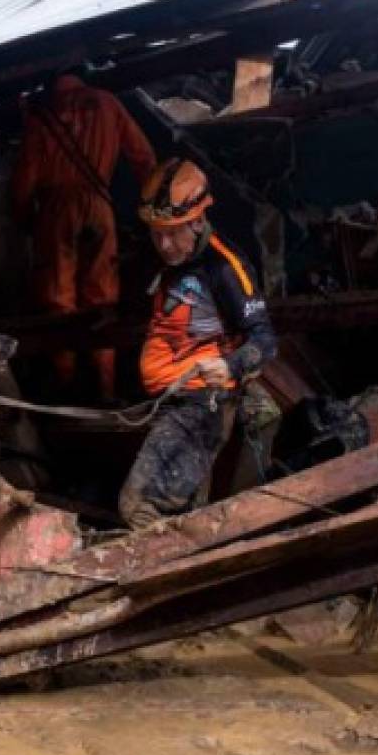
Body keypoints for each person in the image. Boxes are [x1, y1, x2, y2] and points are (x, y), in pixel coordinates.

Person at [118, 158, 277, 529]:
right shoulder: (169, 259)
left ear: (198, 221)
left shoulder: (225, 268)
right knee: (187, 513)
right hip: (169, 397)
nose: (163, 243)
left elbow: (265, 339)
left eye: (172, 233)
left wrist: (231, 366)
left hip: (200, 402)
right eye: (156, 233)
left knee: (137, 506)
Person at [11, 72, 156, 401]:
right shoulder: (107, 103)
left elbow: (25, 178)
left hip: (56, 210)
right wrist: (148, 212)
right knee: (103, 298)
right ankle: (106, 389)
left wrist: (24, 219)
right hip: (100, 203)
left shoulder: (42, 115)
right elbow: (144, 158)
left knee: (59, 299)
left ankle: (67, 386)